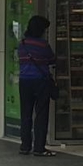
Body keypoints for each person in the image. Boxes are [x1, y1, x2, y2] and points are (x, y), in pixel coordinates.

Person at [18, 16, 57, 157]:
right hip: (41, 81)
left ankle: (25, 146)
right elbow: (52, 60)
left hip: (24, 81)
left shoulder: (22, 43)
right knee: (41, 114)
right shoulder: (43, 45)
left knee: (26, 114)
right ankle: (39, 147)